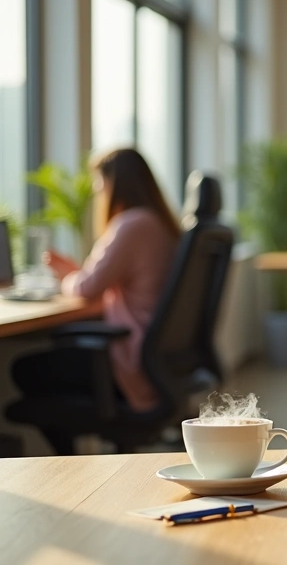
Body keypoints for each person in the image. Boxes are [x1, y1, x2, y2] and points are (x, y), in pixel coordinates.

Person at [12, 148, 181, 453]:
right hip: (156, 362)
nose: (98, 191)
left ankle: (70, 467)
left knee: (24, 371)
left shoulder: (130, 224)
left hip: (128, 362)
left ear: (115, 182)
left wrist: (67, 279)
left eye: (100, 182)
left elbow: (88, 288)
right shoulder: (158, 224)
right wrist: (75, 273)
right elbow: (109, 281)